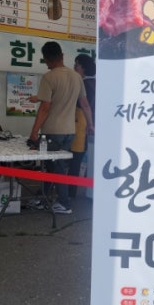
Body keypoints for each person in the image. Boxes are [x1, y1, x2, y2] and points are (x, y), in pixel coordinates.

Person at [28, 42, 94, 214]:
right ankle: (43, 198)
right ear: (62, 56)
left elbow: (45, 108)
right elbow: (85, 104)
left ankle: (64, 204)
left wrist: (34, 132)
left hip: (52, 131)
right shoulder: (76, 77)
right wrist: (91, 125)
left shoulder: (49, 77)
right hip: (70, 132)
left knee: (56, 167)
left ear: (46, 58)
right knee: (52, 166)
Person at [67, 54, 96, 198]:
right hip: (90, 126)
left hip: (81, 125)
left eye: (77, 65)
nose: (74, 67)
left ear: (83, 68)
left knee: (75, 160)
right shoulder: (96, 83)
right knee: (80, 160)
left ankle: (69, 192)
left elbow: (84, 105)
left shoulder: (83, 84)